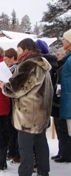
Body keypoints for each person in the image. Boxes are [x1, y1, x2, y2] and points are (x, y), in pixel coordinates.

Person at [0, 38, 53, 176]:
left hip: (28, 114)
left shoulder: (29, 65)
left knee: (25, 149)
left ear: (26, 50)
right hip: (41, 112)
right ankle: (43, 172)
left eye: (18, 50)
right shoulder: (43, 64)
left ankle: (25, 173)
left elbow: (15, 89)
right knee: (41, 145)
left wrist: (4, 86)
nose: (17, 53)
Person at [3, 48, 20, 163]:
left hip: (15, 103)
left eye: (6, 59)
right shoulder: (9, 69)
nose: (5, 62)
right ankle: (12, 151)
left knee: (15, 130)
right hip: (9, 103)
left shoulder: (17, 69)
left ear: (13, 58)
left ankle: (16, 153)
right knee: (10, 129)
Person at [57, 29, 71, 163]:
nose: (62, 41)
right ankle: (64, 153)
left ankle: (66, 154)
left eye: (65, 39)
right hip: (66, 99)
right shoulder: (68, 58)